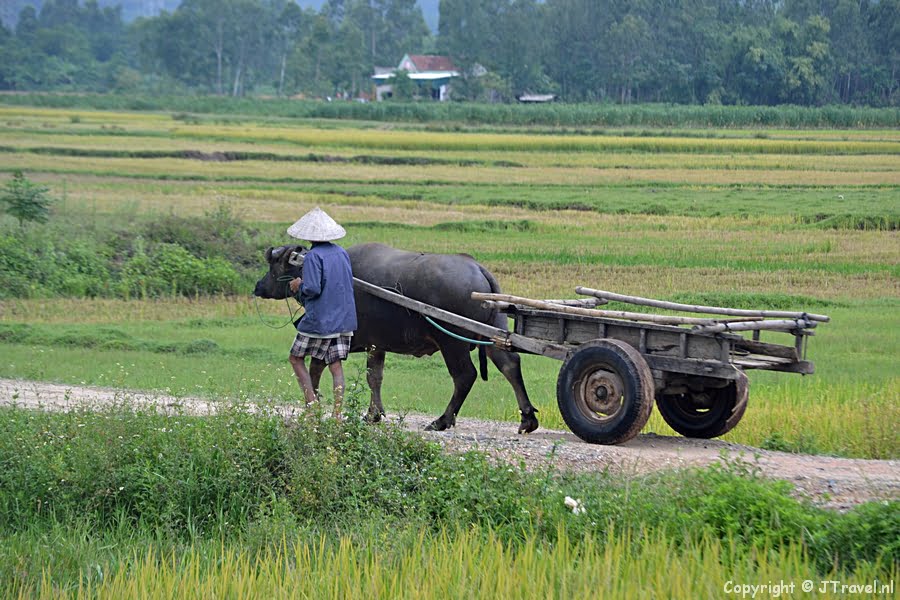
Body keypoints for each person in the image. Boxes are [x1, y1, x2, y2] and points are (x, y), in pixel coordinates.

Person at [286, 207, 357, 419]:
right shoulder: (342, 252)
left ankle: (312, 406)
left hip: (321, 321)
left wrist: (299, 285)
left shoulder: (313, 257)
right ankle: (337, 415)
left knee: (295, 358)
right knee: (335, 366)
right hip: (344, 320)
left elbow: (313, 289)